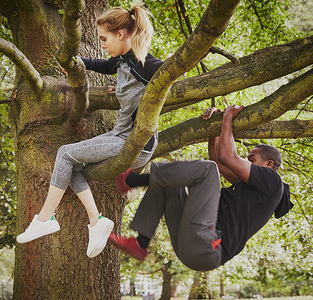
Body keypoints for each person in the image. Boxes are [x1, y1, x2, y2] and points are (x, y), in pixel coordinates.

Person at [16, 2, 164, 259]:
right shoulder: (123, 61)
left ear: (121, 34)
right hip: (121, 135)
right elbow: (106, 65)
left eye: (105, 38)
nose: (103, 43)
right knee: (70, 167)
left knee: (64, 153)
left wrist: (174, 67)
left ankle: (44, 218)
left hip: (136, 142)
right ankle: (96, 221)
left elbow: (168, 75)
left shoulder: (146, 65)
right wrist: (76, 63)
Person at [110, 104, 294, 271]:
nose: (247, 162)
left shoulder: (272, 181)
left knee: (208, 169)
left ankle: (132, 180)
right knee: (170, 183)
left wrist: (227, 117)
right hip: (193, 246)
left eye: (251, 159)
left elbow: (226, 158)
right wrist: (214, 128)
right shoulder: (250, 186)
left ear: (269, 164)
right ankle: (141, 243)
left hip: (209, 246)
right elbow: (217, 160)